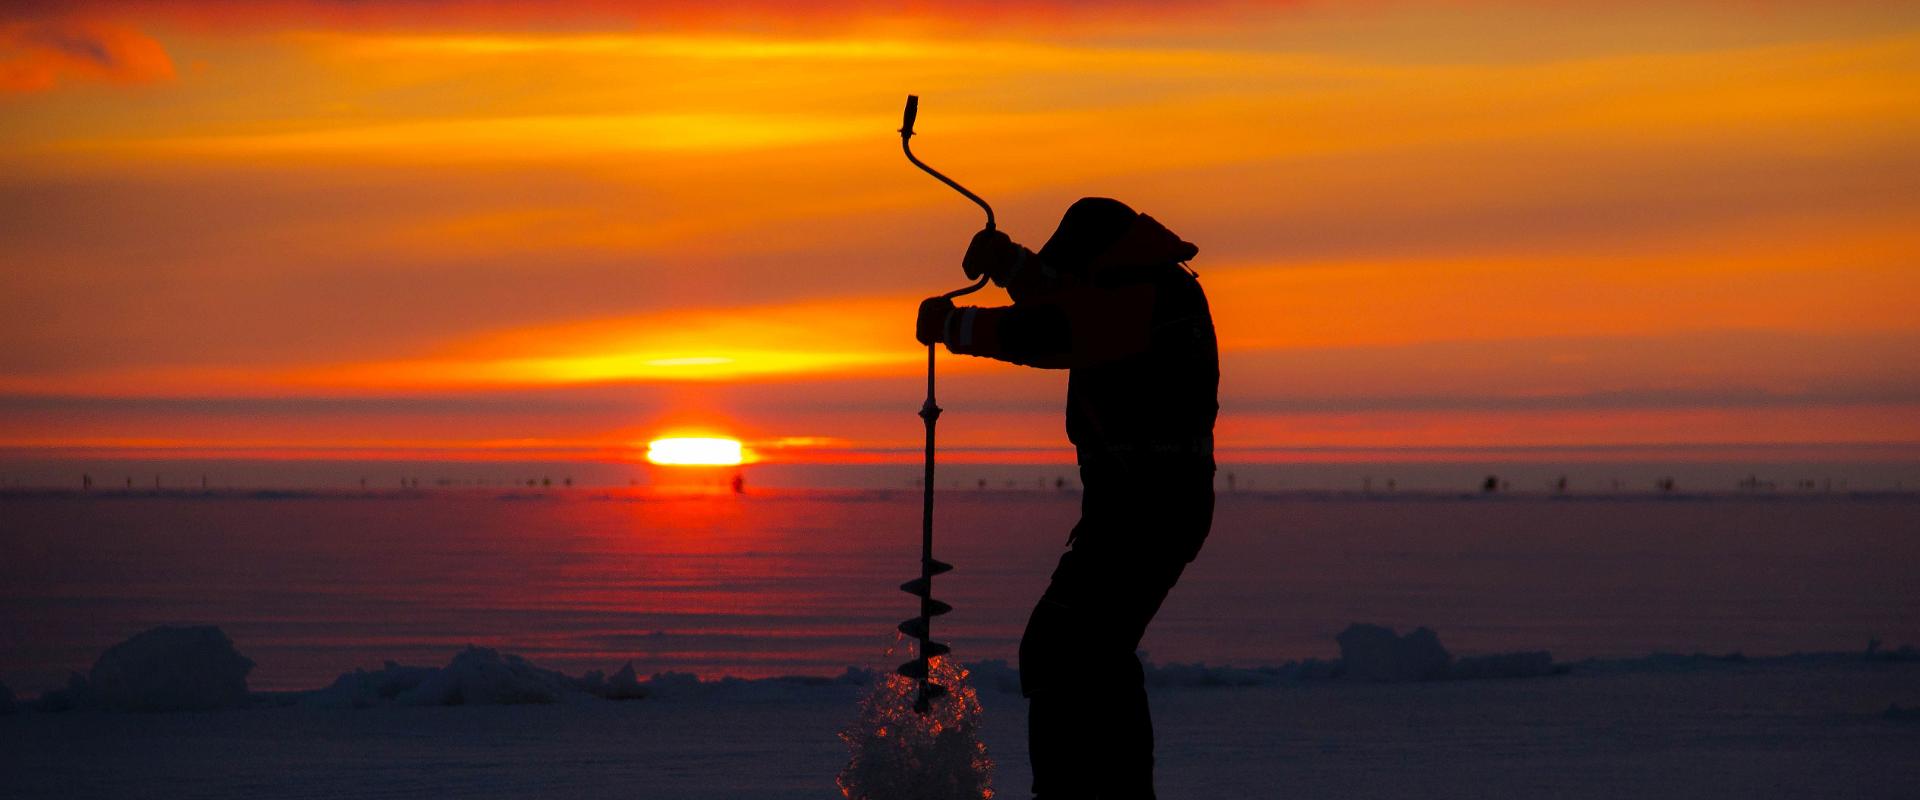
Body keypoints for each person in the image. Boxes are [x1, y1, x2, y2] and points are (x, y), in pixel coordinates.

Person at [915, 197, 1219, 799]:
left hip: (1149, 511)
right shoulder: (1138, 284)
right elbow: (1066, 298)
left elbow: (1058, 328)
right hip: (1136, 506)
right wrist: (1008, 263)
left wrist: (958, 327)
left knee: (1064, 649)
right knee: (1090, 653)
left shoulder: (1145, 296)